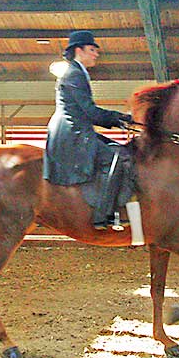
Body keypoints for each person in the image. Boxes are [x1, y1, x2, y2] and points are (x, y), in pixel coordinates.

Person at [43, 30, 134, 230]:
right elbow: (90, 111)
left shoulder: (77, 72)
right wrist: (120, 118)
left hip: (77, 129)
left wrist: (120, 119)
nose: (96, 54)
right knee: (116, 158)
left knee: (120, 150)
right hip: (71, 133)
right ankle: (104, 216)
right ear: (79, 50)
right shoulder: (74, 74)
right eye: (92, 49)